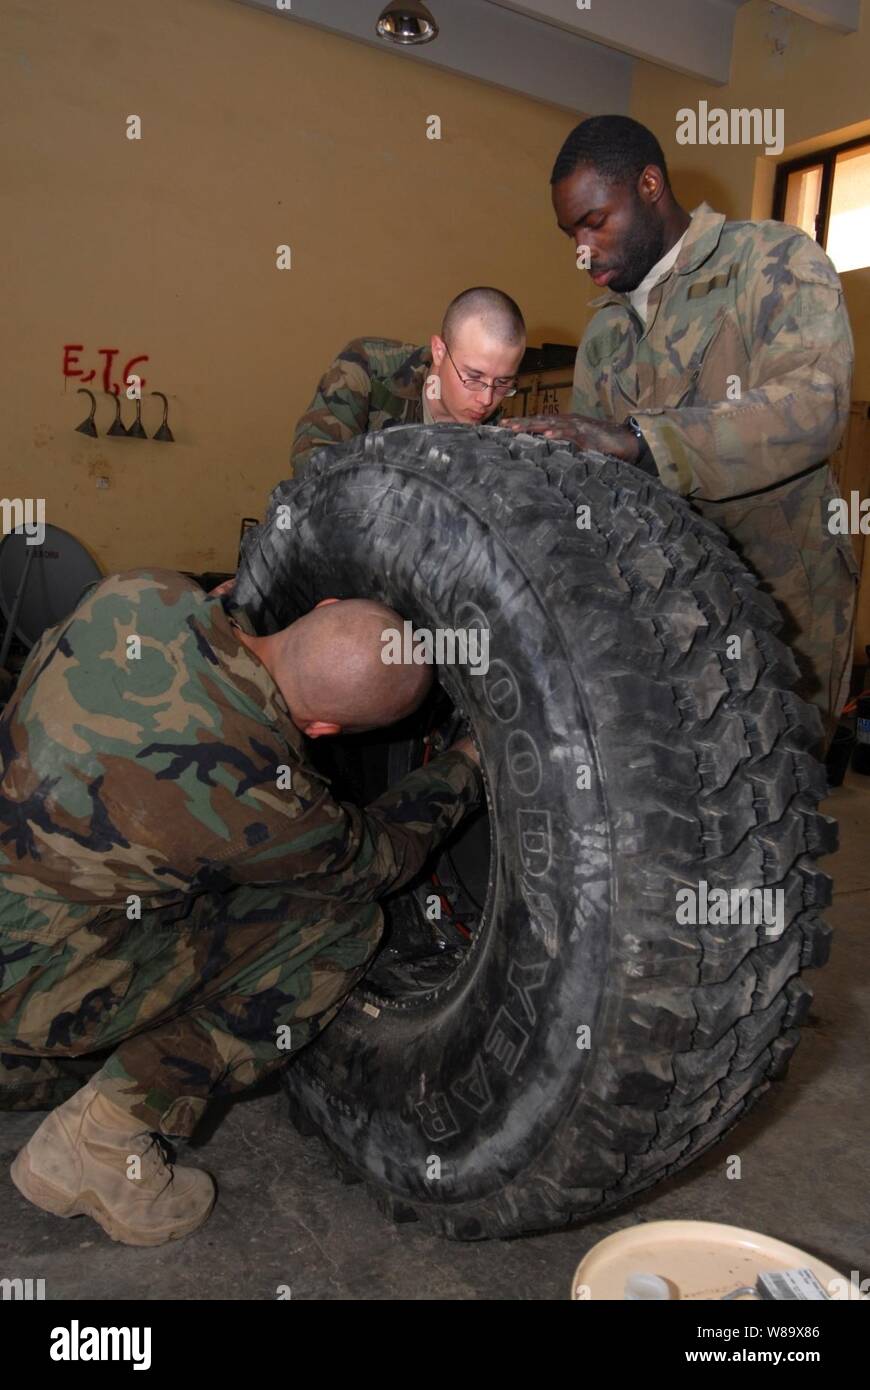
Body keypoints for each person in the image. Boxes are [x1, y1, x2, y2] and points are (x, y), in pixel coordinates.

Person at [0, 569, 481, 1245]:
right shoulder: (270, 796)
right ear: (323, 727)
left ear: (325, 604)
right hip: (27, 980)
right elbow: (381, 859)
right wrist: (464, 764)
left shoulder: (140, 592)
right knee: (338, 925)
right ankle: (99, 1144)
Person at [507, 115, 858, 749]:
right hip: (665, 619)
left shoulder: (770, 261)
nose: (581, 250)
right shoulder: (605, 336)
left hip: (784, 612)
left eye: (594, 222)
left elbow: (815, 407)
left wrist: (647, 443)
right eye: (570, 233)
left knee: (771, 808)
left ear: (649, 185)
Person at [290, 285, 526, 474]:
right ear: (440, 351)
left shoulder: (498, 434)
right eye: (474, 377)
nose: (486, 399)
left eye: (503, 383)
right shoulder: (369, 369)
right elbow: (311, 460)